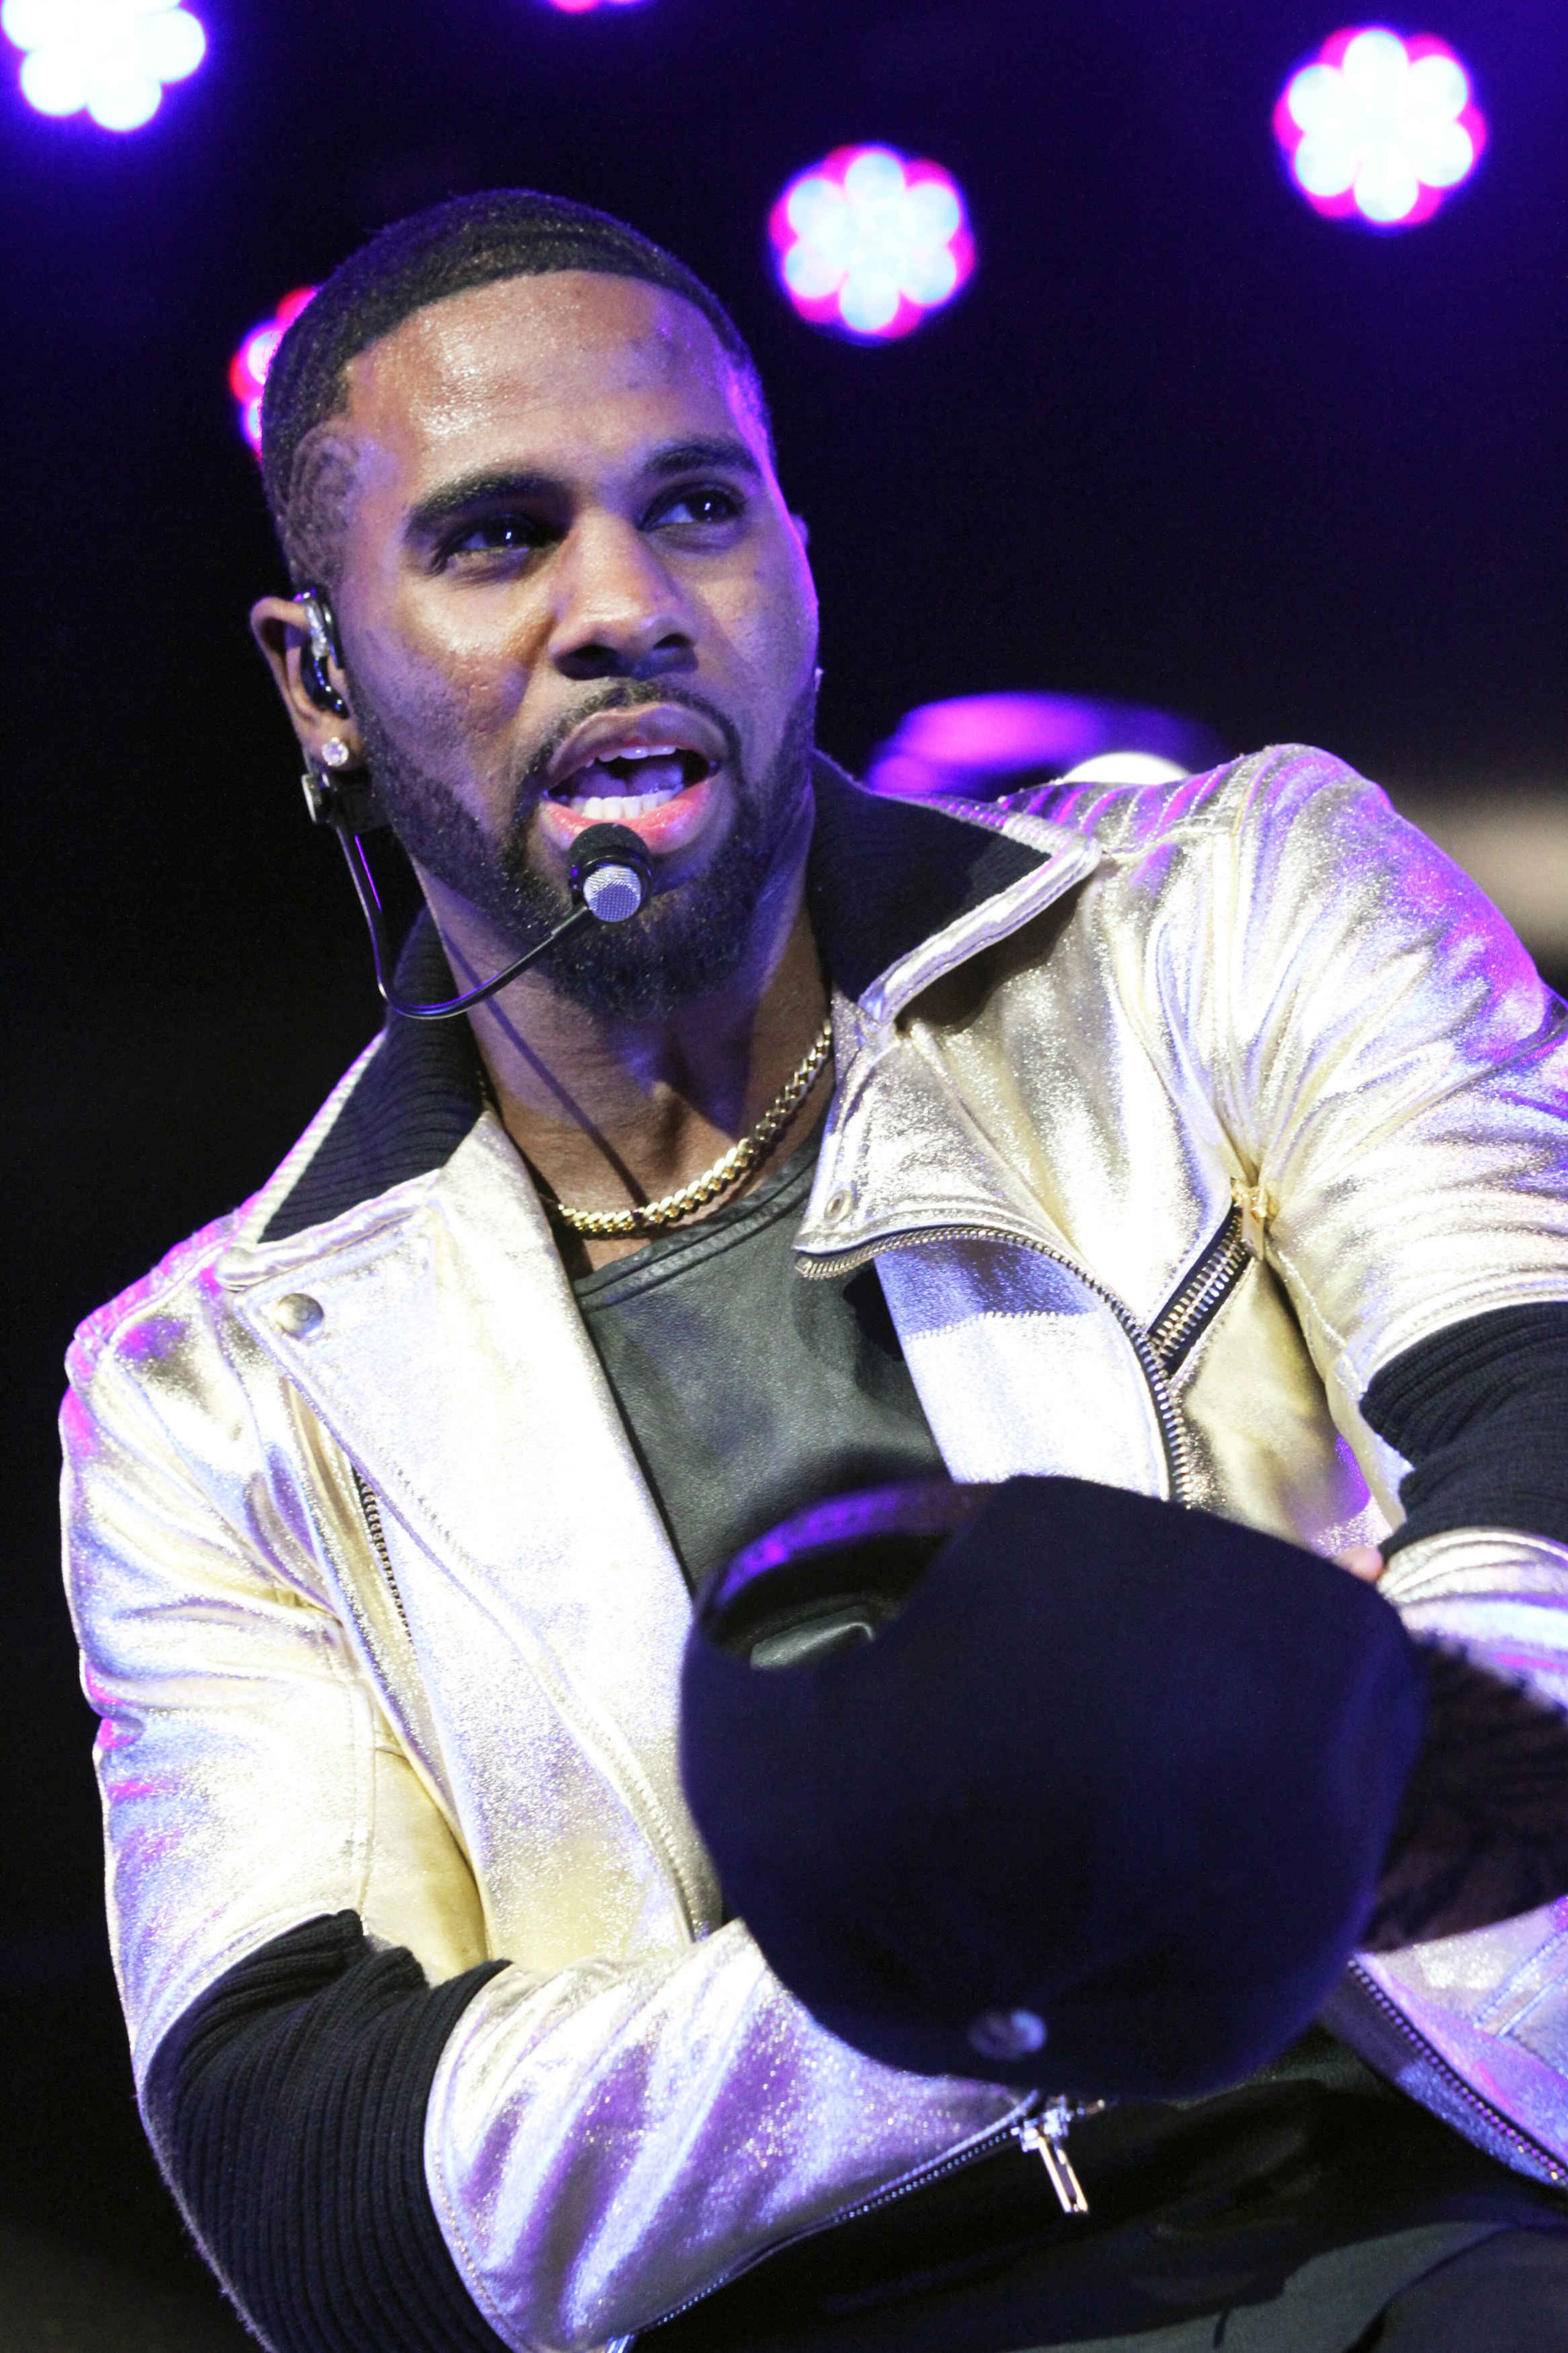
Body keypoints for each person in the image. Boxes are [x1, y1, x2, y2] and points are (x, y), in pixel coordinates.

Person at [60, 189, 1568, 2353]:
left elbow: (1543, 1443)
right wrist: (1031, 1904)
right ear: (318, 682)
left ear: (798, 563)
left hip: (1427, 2213)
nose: (626, 606)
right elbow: (320, 2182)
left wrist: (1214, 1829)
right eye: (496, 537)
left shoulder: (1234, 908)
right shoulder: (204, 1395)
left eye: (697, 506)